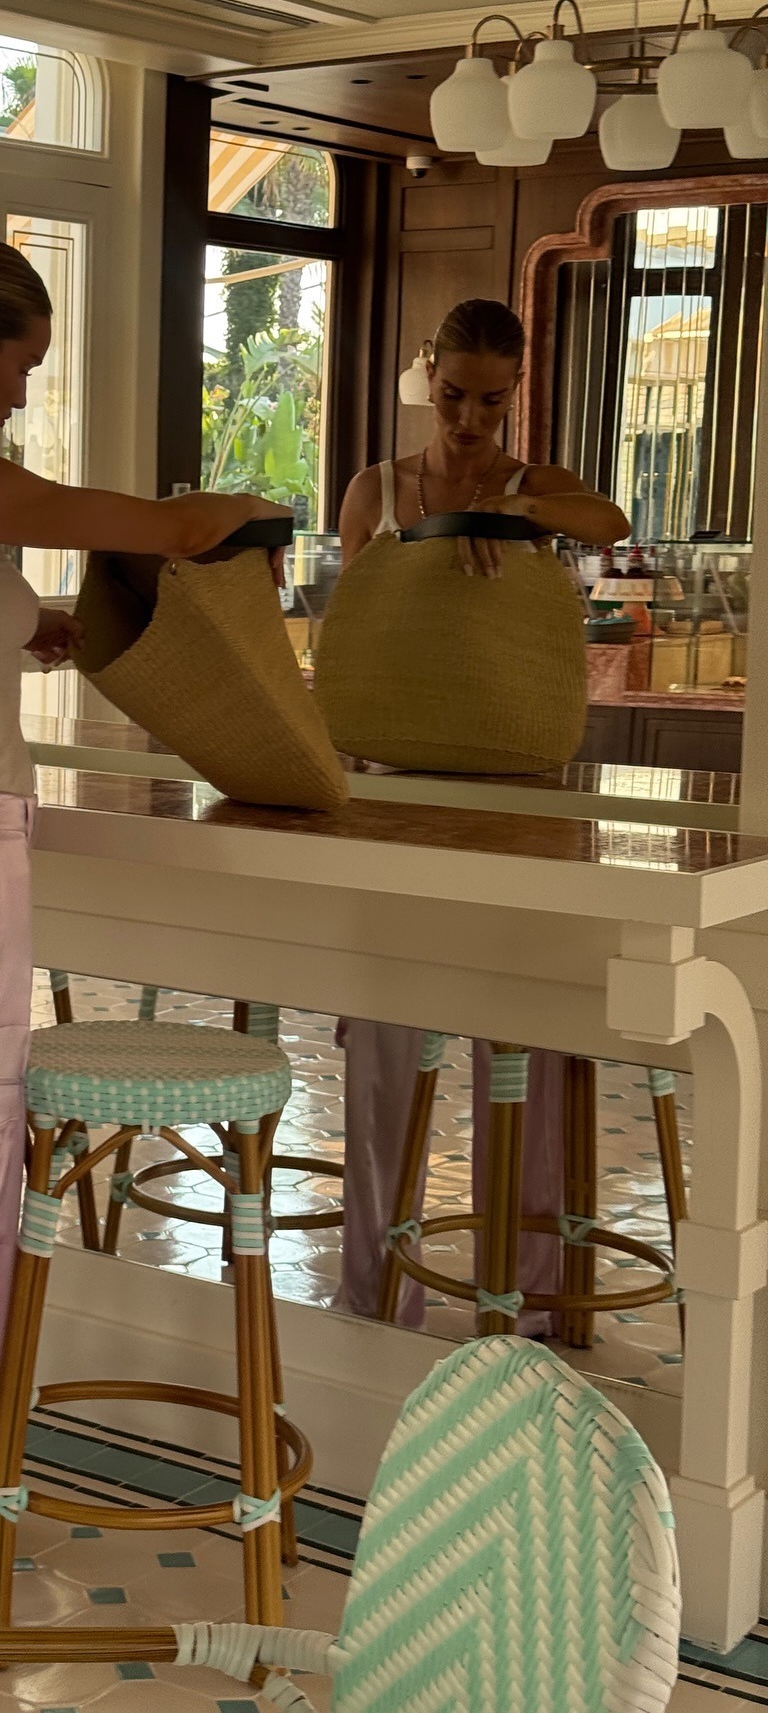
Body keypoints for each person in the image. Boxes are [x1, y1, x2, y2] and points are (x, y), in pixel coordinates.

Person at [0, 237, 283, 1628]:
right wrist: (267, 510)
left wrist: (5, 637)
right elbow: (176, 529)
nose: (22, 393)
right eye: (21, 365)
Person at [332, 298, 629, 1334]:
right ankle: (378, 1293)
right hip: (391, 797)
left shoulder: (537, 483)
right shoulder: (375, 490)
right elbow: (357, 636)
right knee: (382, 1046)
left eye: (492, 402)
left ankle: (532, 1291)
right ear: (429, 373)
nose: (468, 420)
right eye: (454, 395)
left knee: (526, 1046)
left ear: (516, 391)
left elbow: (611, 523)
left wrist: (517, 512)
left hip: (518, 798)